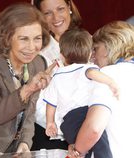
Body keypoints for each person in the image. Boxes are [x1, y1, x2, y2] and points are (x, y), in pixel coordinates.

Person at [0, 3, 56, 157]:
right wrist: (28, 89)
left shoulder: (38, 63)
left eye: (37, 38)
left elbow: (30, 111)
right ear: (7, 38)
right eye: (24, 39)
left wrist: (25, 142)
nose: (32, 47)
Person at [43, 29, 118, 158]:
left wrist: (50, 122)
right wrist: (111, 82)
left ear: (61, 55)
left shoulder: (56, 76)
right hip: (84, 116)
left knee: (83, 152)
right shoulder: (87, 69)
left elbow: (51, 103)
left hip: (67, 124)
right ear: (90, 54)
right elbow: (93, 74)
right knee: (101, 147)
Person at [67, 21, 134, 158]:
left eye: (95, 49)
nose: (92, 56)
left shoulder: (107, 74)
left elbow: (94, 128)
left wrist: (78, 151)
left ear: (110, 46)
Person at [31, 0, 82, 150]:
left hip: (92, 133)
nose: (55, 17)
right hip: (53, 139)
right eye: (47, 13)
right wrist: (70, 130)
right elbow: (37, 105)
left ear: (70, 8)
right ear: (40, 16)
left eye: (60, 9)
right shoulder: (36, 53)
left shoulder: (90, 42)